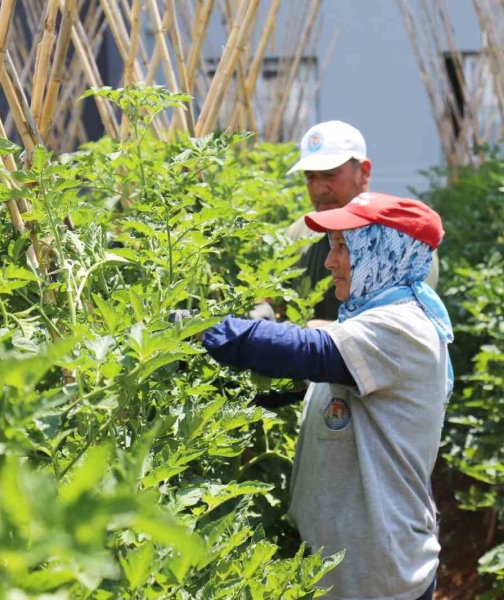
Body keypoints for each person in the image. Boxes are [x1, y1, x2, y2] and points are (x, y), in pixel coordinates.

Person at [201, 192, 452, 600]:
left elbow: (307, 353)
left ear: (383, 251)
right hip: (345, 570)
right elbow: (299, 383)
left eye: (342, 247)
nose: (330, 261)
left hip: (377, 576)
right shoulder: (365, 323)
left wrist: (205, 329)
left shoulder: (402, 327)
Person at [286, 120, 438, 322]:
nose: (318, 189)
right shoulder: (299, 233)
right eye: (310, 177)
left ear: (364, 171)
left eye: (330, 175)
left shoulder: (400, 234)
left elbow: (400, 325)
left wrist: (315, 334)